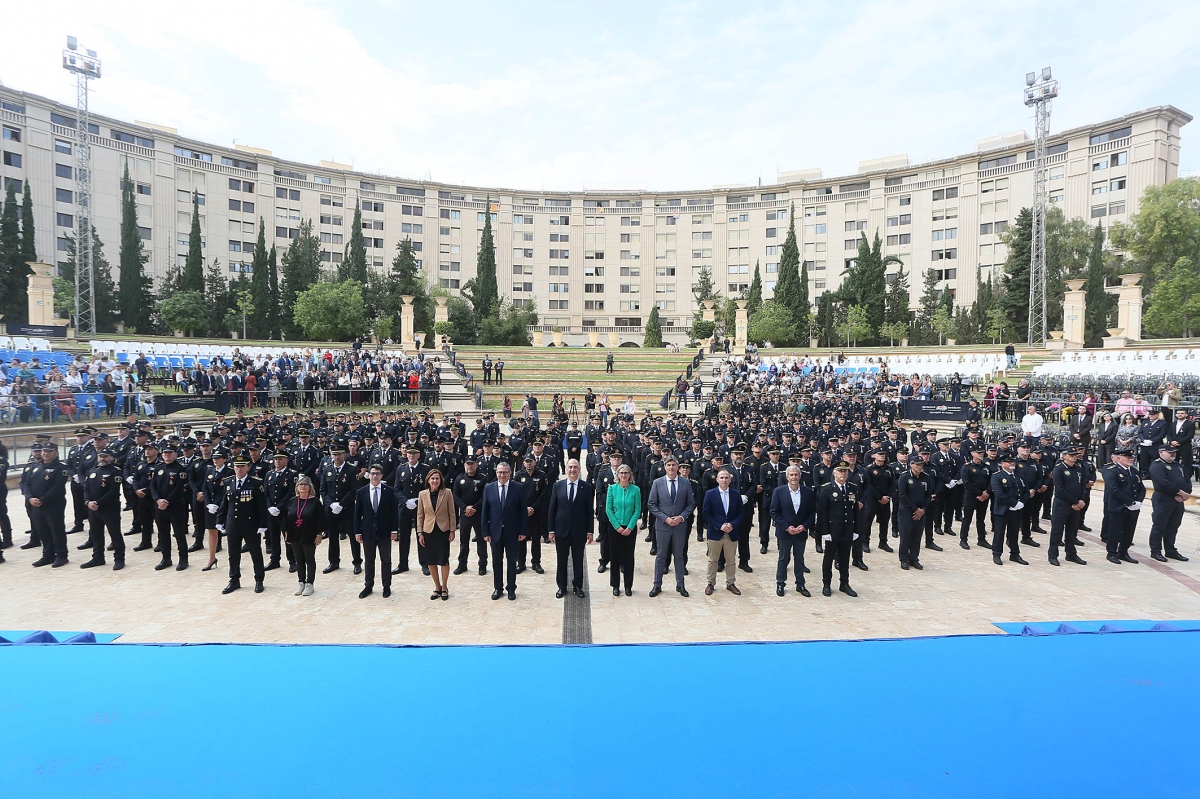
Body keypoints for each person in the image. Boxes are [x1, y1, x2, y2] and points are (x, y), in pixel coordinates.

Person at [217, 455, 270, 594]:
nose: (239, 469)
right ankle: (234, 579)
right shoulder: (228, 481)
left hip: (250, 523)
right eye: (237, 466)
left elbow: (261, 506)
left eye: (242, 466)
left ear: (248, 467)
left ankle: (259, 579)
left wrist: (263, 524)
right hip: (232, 523)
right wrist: (220, 520)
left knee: (255, 553)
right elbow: (225, 502)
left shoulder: (256, 483)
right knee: (233, 554)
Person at [647, 456, 696, 598]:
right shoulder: (657, 483)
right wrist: (665, 518)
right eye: (668, 465)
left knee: (679, 556)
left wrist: (681, 517)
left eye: (674, 465)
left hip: (680, 525)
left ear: (677, 467)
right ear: (664, 467)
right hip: (663, 525)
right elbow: (651, 504)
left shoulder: (685, 483)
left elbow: (691, 504)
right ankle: (657, 585)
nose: (671, 467)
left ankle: (680, 585)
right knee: (661, 556)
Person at [546, 459, 595, 599]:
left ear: (579, 469)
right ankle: (562, 586)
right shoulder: (558, 486)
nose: (573, 470)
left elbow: (589, 511)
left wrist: (590, 531)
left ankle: (578, 586)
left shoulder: (586, 487)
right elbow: (552, 509)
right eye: (570, 467)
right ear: (566, 469)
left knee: (578, 560)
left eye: (575, 467)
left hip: (579, 531)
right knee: (561, 560)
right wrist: (551, 530)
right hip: (561, 530)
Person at [769, 465, 815, 597]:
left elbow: (812, 512)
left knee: (799, 558)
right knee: (783, 558)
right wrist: (787, 527)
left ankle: (800, 584)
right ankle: (780, 583)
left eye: (796, 475)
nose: (794, 477)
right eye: (791, 475)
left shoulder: (807, 492)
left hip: (800, 532)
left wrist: (804, 526)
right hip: (785, 532)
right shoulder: (779, 491)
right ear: (787, 477)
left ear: (800, 476)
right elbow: (774, 512)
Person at [354, 465, 399, 598]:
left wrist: (394, 530)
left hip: (384, 531)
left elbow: (394, 512)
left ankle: (386, 586)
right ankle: (368, 585)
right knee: (369, 560)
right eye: (372, 473)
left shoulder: (389, 491)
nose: (374, 476)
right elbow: (357, 514)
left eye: (377, 473)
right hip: (368, 532)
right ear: (368, 475)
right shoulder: (361, 492)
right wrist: (357, 532)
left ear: (381, 476)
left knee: (386, 560)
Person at [816, 461, 859, 597]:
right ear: (834, 473)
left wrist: (856, 530)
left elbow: (856, 511)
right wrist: (824, 532)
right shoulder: (827, 489)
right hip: (833, 530)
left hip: (847, 530)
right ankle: (826, 584)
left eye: (845, 471)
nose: (843, 474)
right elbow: (822, 512)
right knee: (829, 558)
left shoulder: (852, 488)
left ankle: (844, 584)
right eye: (840, 471)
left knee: (845, 558)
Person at [701, 467, 743, 596]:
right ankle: (710, 583)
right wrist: (719, 526)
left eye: (726, 478)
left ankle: (730, 583)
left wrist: (732, 524)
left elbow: (741, 514)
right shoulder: (710, 494)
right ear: (717, 479)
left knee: (731, 560)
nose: (724, 480)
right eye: (722, 478)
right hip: (715, 533)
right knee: (713, 560)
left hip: (731, 533)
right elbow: (706, 514)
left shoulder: (736, 494)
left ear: (730, 480)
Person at [80, 448, 124, 570]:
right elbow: (86, 489)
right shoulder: (93, 471)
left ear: (111, 457)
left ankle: (119, 559)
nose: (102, 458)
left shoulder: (115, 471)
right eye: (101, 456)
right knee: (96, 534)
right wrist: (88, 502)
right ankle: (98, 558)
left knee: (115, 534)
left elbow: (113, 491)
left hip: (109, 508)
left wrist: (98, 503)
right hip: (93, 509)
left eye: (105, 456)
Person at [28, 442, 71, 568]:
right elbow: (25, 483)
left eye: (49, 451)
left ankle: (61, 555)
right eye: (44, 451)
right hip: (36, 504)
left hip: (53, 504)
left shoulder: (60, 468)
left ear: (56, 453)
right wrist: (30, 498)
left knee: (56, 529)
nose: (45, 453)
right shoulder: (35, 467)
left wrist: (43, 499)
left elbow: (57, 487)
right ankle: (47, 555)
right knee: (42, 530)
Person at [1147, 444, 1192, 563]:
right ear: (1161, 453)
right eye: (1169, 452)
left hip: (1178, 500)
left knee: (1173, 526)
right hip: (1163, 499)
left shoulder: (1178, 465)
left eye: (1174, 452)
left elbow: (1187, 480)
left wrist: (1186, 494)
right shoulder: (1157, 465)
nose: (1173, 454)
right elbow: (1163, 483)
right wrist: (1181, 492)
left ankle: (1170, 550)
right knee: (1159, 526)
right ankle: (1155, 551)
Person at [417, 469, 456, 600]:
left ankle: (444, 587)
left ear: (441, 480)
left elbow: (452, 513)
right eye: (432, 478)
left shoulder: (447, 492)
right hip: (428, 531)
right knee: (431, 561)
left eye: (437, 478)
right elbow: (420, 515)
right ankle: (437, 587)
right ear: (428, 480)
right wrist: (420, 532)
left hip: (443, 531)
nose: (435, 481)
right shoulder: (422, 494)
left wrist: (452, 530)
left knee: (443, 560)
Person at [1102, 446, 1145, 565]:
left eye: (1131, 457)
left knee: (1129, 531)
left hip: (1133, 508)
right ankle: (1111, 553)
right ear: (1119, 458)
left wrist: (1138, 502)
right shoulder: (1112, 471)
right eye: (1127, 457)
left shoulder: (1134, 471)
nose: (1130, 459)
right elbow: (1114, 490)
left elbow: (1141, 489)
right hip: (1118, 507)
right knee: (1114, 531)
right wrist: (1130, 502)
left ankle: (1123, 552)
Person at [1047, 446, 1088, 567]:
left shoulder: (1078, 468)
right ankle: (1053, 554)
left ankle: (1071, 554)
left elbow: (1082, 486)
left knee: (1072, 530)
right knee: (1057, 530)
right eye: (1071, 455)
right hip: (1062, 504)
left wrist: (1081, 500)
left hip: (1075, 505)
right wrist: (1075, 501)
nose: (1074, 457)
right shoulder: (1059, 469)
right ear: (1064, 456)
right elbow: (1059, 490)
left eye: (1075, 455)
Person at [605, 463, 641, 597]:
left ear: (630, 475)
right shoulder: (612, 489)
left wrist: (630, 527)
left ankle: (628, 586)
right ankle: (615, 585)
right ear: (618, 475)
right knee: (614, 556)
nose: (624, 475)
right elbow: (608, 509)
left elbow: (637, 509)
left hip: (629, 528)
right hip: (615, 528)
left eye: (626, 473)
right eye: (621, 473)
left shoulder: (636, 490)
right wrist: (617, 527)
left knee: (629, 557)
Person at [284, 476, 324, 596]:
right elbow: (287, 518)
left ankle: (310, 583)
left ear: (310, 487)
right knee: (299, 559)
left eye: (305, 484)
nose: (303, 486)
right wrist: (286, 533)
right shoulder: (292, 501)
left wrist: (319, 534)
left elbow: (320, 519)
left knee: (309, 559)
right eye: (300, 484)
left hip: (309, 534)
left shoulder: (315, 502)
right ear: (297, 487)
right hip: (294, 534)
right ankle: (301, 582)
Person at [989, 453, 1028, 566]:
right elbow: (999, 494)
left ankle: (1015, 554)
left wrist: (1022, 503)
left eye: (1013, 461)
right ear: (1002, 464)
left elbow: (1026, 491)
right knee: (999, 533)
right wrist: (1014, 503)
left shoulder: (1019, 475)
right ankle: (997, 554)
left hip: (1017, 510)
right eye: (1009, 462)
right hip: (1003, 509)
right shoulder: (997, 476)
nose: (1012, 463)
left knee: (1014, 533)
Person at [452, 455, 487, 576]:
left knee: (481, 540)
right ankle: (462, 564)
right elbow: (455, 496)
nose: (470, 466)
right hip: (465, 514)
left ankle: (482, 564)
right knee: (464, 540)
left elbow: (485, 496)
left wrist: (474, 508)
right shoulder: (460, 478)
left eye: (472, 463)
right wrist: (465, 508)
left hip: (478, 514)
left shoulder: (483, 478)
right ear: (465, 465)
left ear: (477, 464)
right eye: (468, 464)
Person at [896, 457, 929, 570]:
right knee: (905, 536)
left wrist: (923, 509)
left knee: (917, 536)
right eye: (917, 464)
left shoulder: (926, 477)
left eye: (921, 465)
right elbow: (902, 495)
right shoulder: (904, 477)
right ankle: (904, 559)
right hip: (907, 510)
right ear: (911, 464)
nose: (920, 467)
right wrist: (915, 509)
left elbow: (928, 495)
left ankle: (914, 558)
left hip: (921, 511)